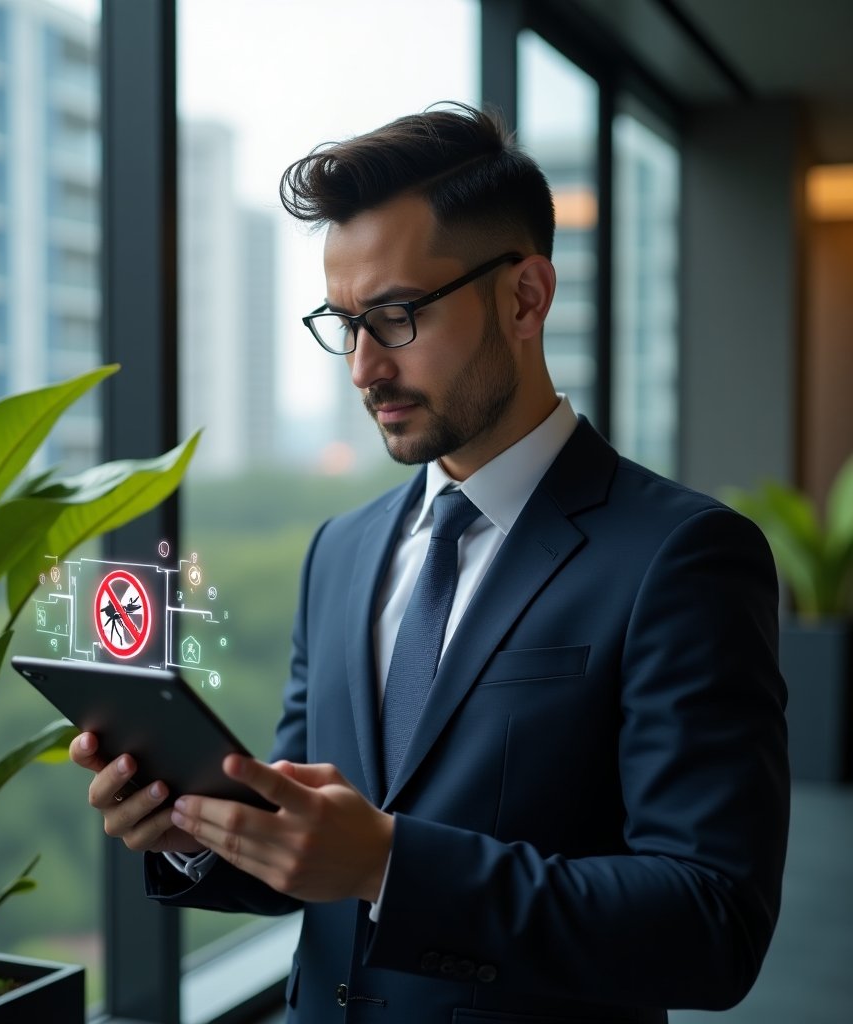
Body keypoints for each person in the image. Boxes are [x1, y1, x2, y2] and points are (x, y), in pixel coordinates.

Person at [72, 103, 789, 1023]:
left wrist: (387, 862)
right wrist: (197, 837)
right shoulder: (340, 553)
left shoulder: (683, 556)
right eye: (344, 323)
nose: (364, 367)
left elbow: (711, 925)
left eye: (397, 315)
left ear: (526, 297)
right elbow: (312, 849)